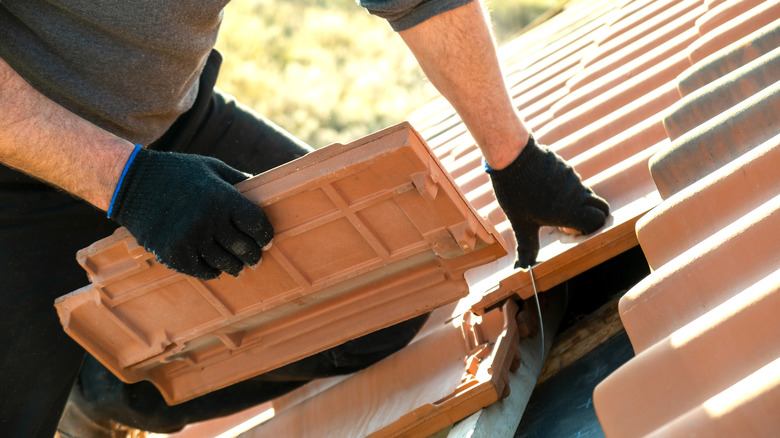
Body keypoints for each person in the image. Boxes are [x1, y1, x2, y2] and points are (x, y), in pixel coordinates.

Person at [0, 0, 609, 436]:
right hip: (14, 173)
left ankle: (105, 388)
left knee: (377, 301)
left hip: (171, 126)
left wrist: (513, 156)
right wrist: (126, 181)